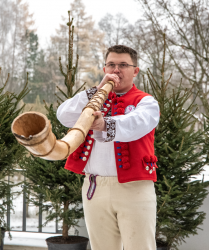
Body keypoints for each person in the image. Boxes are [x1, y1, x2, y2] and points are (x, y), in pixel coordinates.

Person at [56, 45, 160, 250]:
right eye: (111, 65)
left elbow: (136, 124)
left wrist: (106, 124)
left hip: (135, 188)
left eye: (123, 65)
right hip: (95, 186)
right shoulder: (94, 99)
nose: (116, 70)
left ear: (135, 70)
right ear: (104, 70)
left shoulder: (146, 102)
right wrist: (96, 91)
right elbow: (64, 115)